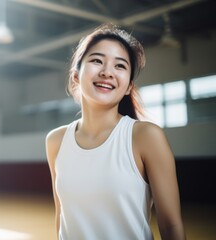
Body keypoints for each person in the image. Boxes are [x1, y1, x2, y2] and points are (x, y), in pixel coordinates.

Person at [45, 23, 185, 240]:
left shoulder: (146, 137)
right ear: (75, 76)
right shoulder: (55, 141)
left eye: (119, 66)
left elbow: (172, 226)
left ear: (129, 86)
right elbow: (61, 218)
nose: (106, 72)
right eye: (96, 60)